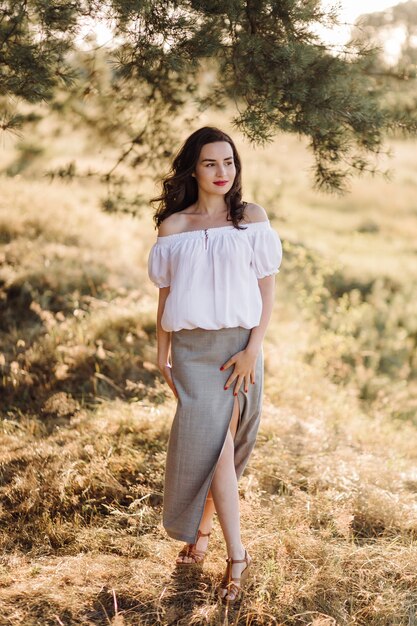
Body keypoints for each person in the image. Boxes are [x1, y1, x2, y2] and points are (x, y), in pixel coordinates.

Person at [147, 126, 282, 604]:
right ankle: (236, 554)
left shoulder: (251, 218)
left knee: (223, 449)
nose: (222, 172)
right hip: (189, 352)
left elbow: (267, 289)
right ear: (193, 169)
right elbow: (165, 293)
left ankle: (206, 538)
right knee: (211, 448)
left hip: (237, 350)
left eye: (229, 162)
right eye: (210, 163)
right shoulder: (174, 227)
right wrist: (161, 350)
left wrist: (253, 348)